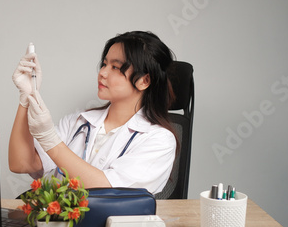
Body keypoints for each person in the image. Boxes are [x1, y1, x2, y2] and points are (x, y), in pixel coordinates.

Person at [9, 31, 177, 194]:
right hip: (61, 223)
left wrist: (50, 139)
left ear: (144, 81)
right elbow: (22, 164)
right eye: (104, 64)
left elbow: (107, 190)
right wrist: (27, 96)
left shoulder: (160, 140)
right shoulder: (78, 122)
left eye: (115, 67)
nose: (102, 73)